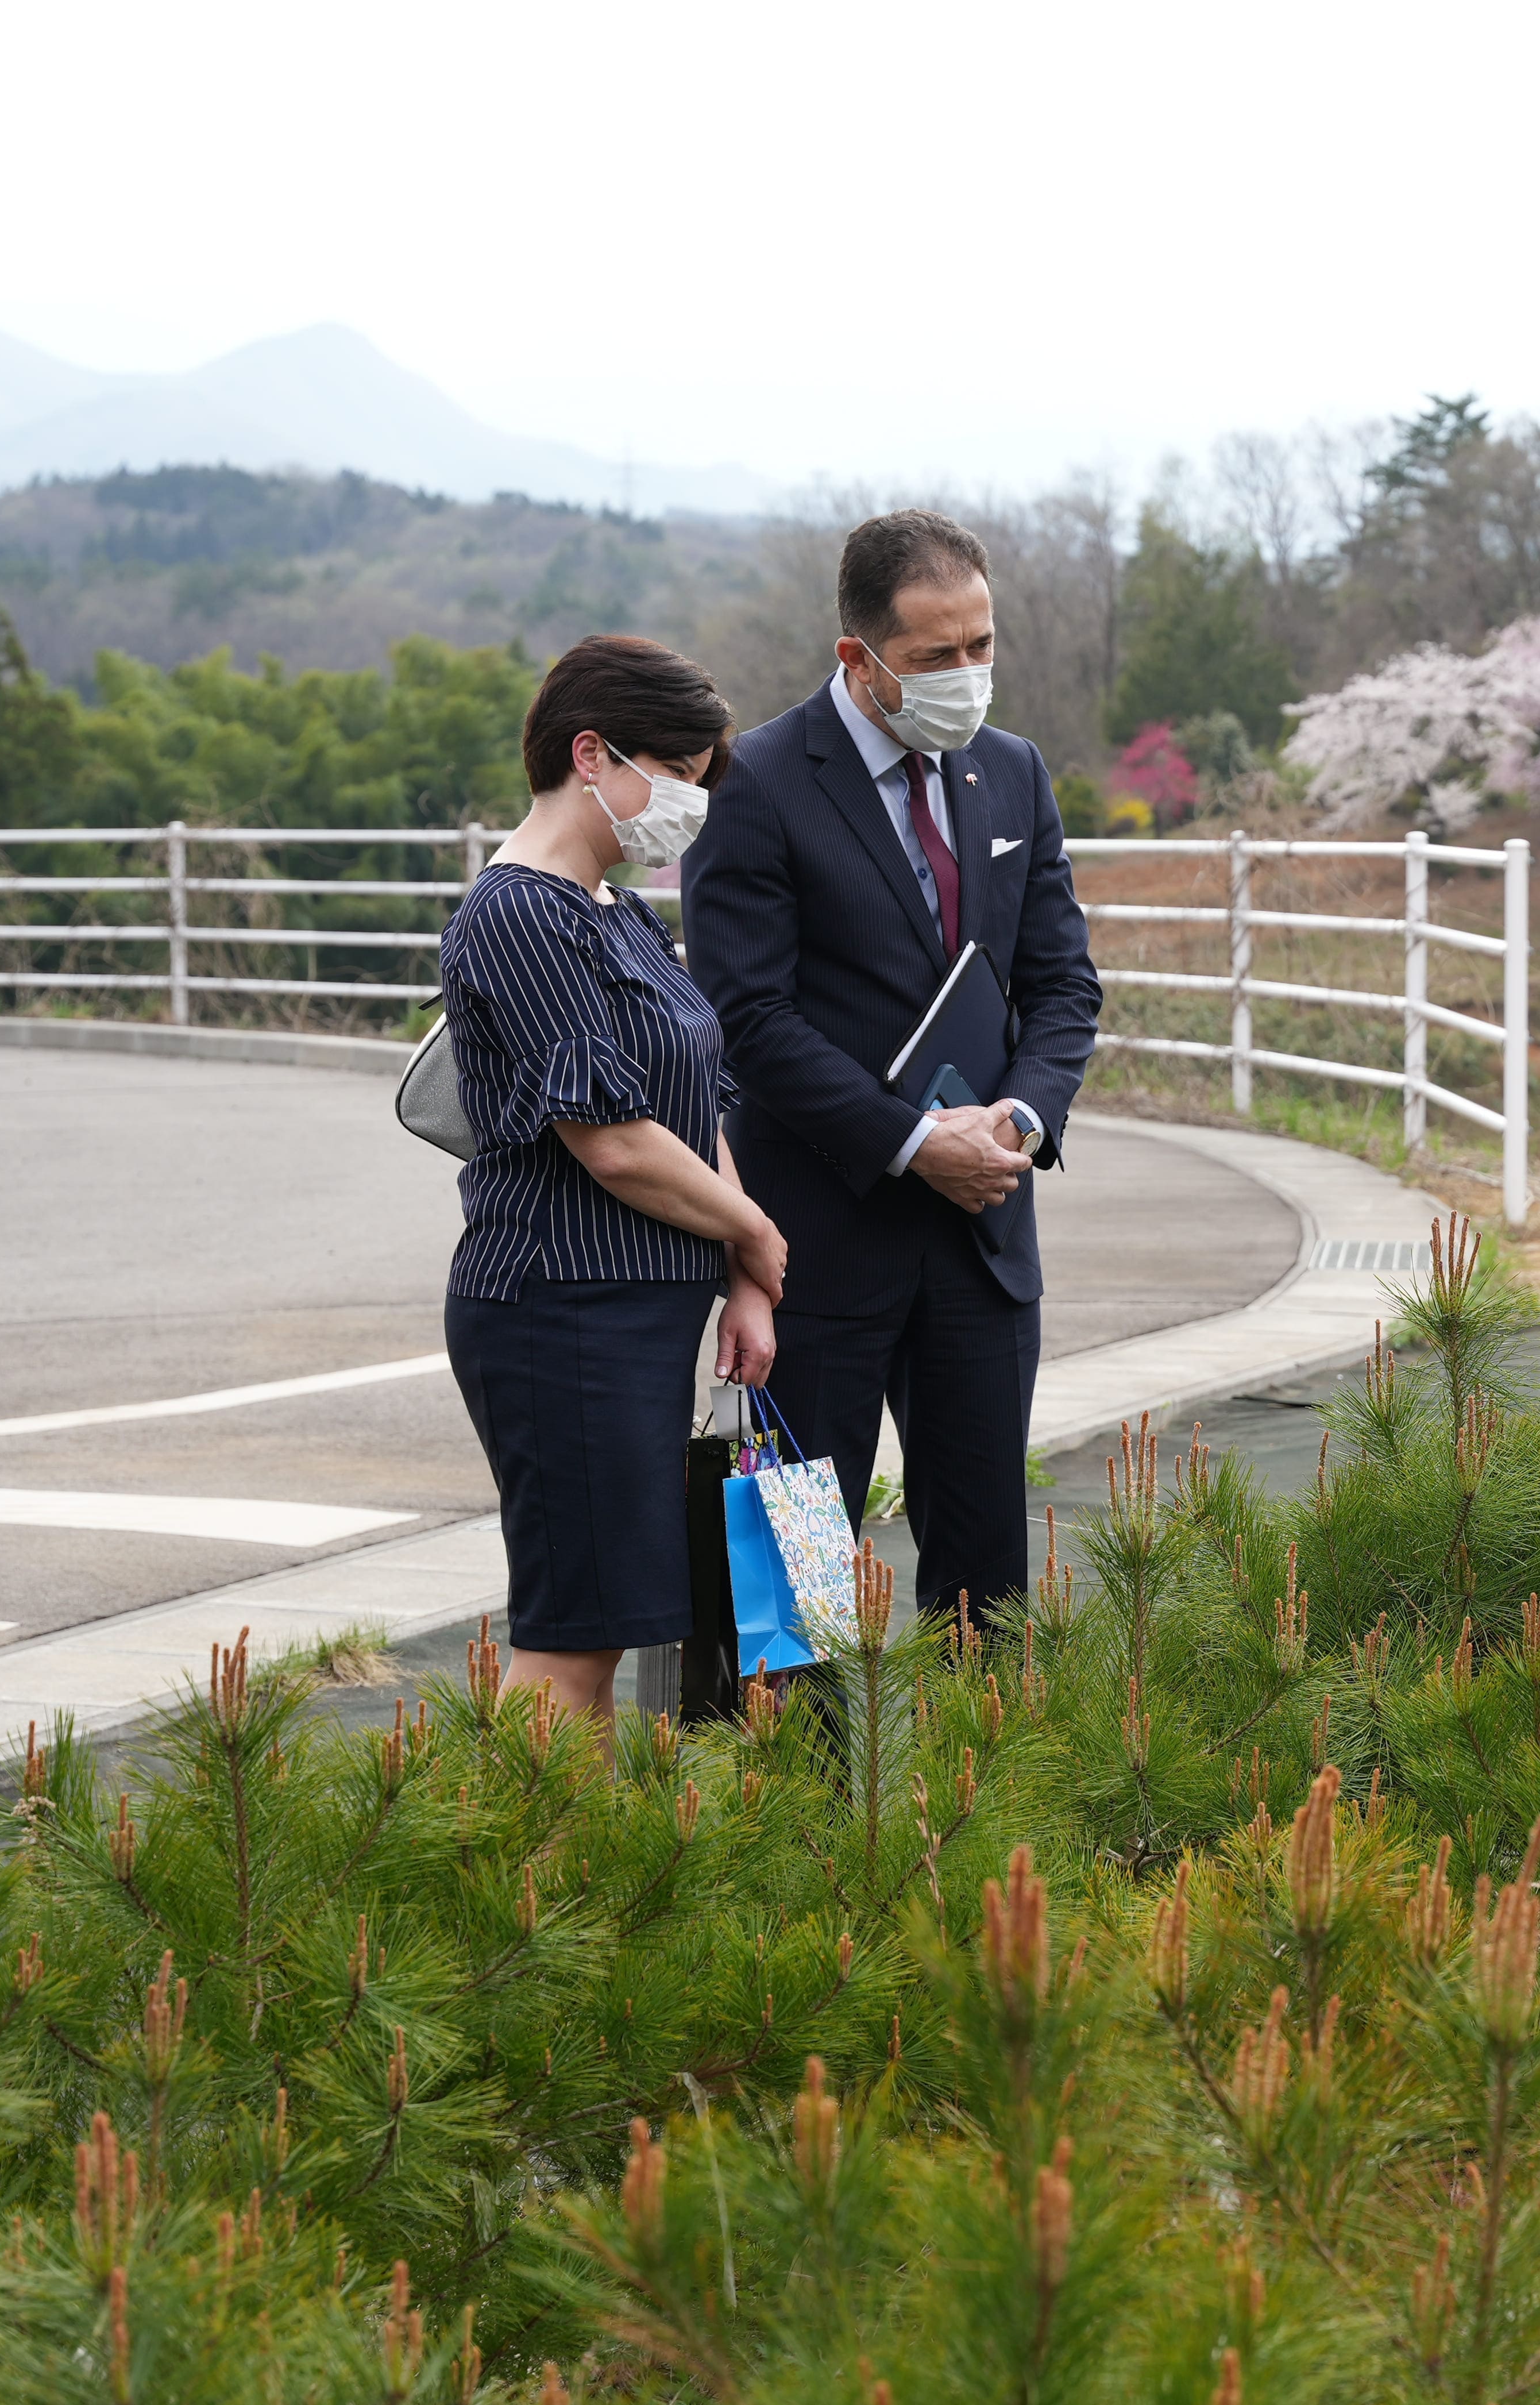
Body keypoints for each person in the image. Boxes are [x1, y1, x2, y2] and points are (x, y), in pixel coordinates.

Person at [685, 510, 1102, 1623]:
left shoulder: (1013, 774)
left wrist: (1020, 1117)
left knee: (985, 1577)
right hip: (818, 1245)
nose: (968, 676)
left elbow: (1065, 986)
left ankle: (982, 1790)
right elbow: (750, 1021)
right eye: (934, 658)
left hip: (984, 1241)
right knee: (800, 1583)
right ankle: (807, 1795)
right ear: (858, 661)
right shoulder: (758, 786)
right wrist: (916, 1143)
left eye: (981, 647)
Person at [437, 634, 786, 1713]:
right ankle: (538, 1875)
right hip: (559, 1313)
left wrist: (740, 1267)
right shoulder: (518, 915)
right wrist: (760, 1236)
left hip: (633, 1315)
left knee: (620, 1618)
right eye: (677, 772)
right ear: (592, 754)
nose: (689, 800)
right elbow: (617, 1141)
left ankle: (579, 1867)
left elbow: (691, 1104)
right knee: (574, 1638)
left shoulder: (616, 912)